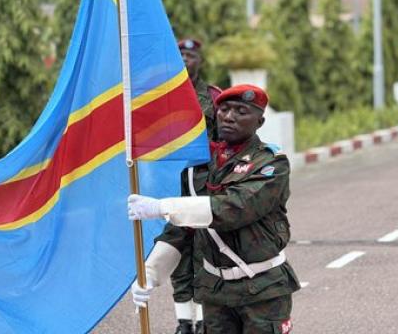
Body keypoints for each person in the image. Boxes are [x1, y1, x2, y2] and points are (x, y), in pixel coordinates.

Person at [128, 84, 301, 334]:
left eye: (241, 111)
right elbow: (182, 229)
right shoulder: (198, 167)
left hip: (262, 290)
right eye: (224, 109)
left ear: (259, 121)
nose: (229, 117)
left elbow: (234, 207)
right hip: (215, 291)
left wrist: (163, 206)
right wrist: (149, 274)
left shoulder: (271, 164)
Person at [154, 37, 220, 334]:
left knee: (205, 251)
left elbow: (223, 141)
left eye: (190, 55)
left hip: (205, 184)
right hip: (173, 183)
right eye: (179, 54)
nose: (184, 59)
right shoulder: (160, 97)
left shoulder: (214, 97)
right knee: (178, 250)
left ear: (199, 61)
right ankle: (184, 321)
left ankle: (205, 318)